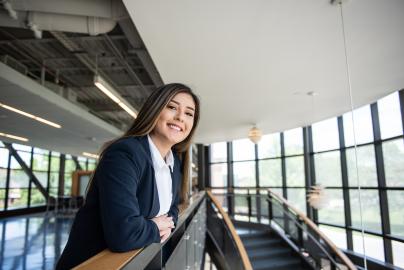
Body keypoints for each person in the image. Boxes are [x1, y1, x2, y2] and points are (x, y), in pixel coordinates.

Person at [56, 83, 200, 270]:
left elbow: (173, 208)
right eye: (172, 107)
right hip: (95, 263)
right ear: (155, 110)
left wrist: (157, 224)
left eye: (189, 113)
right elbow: (124, 234)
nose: (181, 117)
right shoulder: (124, 154)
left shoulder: (174, 162)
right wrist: (155, 228)